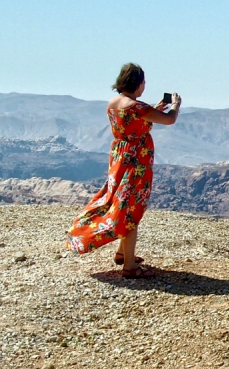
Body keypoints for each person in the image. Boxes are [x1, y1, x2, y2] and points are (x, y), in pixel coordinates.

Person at [66, 63, 180, 277]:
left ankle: (122, 253)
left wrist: (155, 107)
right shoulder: (137, 107)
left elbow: (136, 121)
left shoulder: (114, 104)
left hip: (120, 157)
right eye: (143, 82)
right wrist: (175, 105)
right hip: (136, 162)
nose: (144, 86)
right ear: (137, 83)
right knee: (130, 209)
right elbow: (170, 120)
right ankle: (130, 266)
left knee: (120, 201)